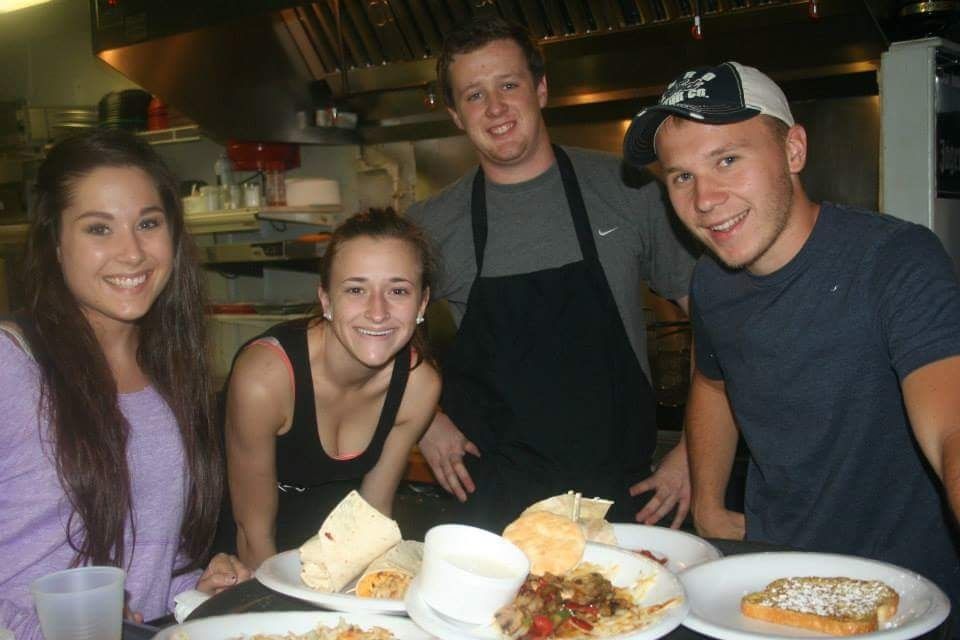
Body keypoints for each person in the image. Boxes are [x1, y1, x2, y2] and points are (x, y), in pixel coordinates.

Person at [623, 61, 960, 612]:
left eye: (727, 160)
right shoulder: (711, 281)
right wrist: (708, 505)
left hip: (898, 591)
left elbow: (952, 422)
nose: (704, 199)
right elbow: (713, 384)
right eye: (681, 176)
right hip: (771, 572)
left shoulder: (894, 260)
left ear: (794, 150)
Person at [407, 17, 698, 531]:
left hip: (620, 499)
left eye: (509, 85)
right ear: (454, 114)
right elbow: (373, 334)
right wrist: (425, 422)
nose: (495, 108)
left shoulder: (628, 189)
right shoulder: (432, 226)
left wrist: (695, 450)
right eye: (474, 95)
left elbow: (720, 321)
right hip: (494, 507)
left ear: (541, 88)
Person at [0, 129, 249, 639]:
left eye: (148, 223)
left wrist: (195, 591)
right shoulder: (11, 366)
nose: (132, 252)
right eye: (98, 229)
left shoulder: (171, 377)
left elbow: (146, 565)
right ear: (54, 240)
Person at [225, 208, 441, 569]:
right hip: (241, 560)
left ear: (421, 303)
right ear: (326, 299)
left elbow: (371, 519)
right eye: (356, 289)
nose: (377, 312)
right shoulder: (267, 379)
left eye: (398, 290)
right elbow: (253, 533)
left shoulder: (418, 386)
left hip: (329, 558)